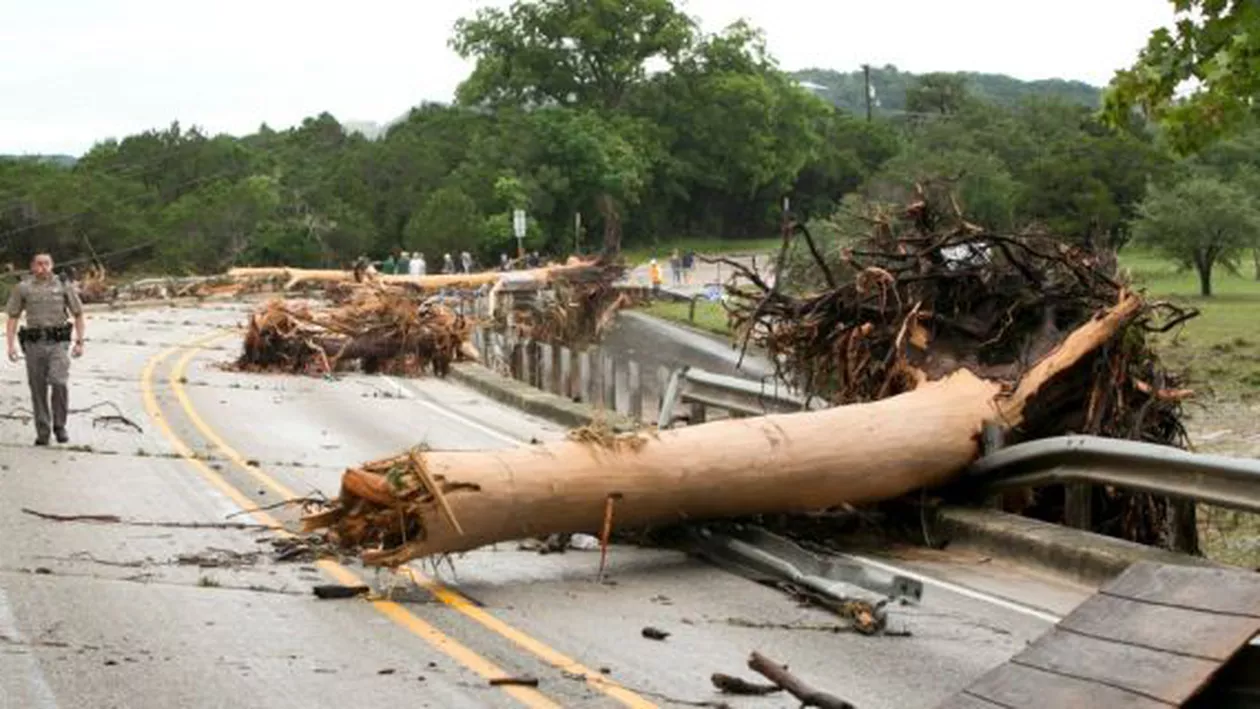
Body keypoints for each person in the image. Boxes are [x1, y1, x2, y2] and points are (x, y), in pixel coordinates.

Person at [5, 253, 86, 446]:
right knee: (37, 388)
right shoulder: (23, 288)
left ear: (52, 265)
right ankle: (43, 430)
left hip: (58, 343)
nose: (43, 267)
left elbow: (78, 313)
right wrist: (10, 345)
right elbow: (13, 317)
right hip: (34, 344)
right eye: (39, 264)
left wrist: (80, 341)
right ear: (33, 266)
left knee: (59, 381)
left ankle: (60, 426)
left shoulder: (63, 285)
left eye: (47, 263)